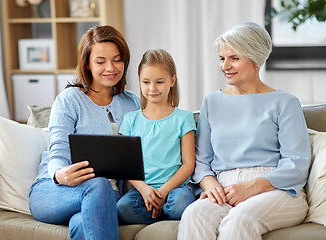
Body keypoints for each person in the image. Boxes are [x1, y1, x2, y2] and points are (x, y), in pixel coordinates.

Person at [178, 22, 311, 239]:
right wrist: (209, 183)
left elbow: (297, 162)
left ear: (256, 60)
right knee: (193, 214)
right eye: (222, 58)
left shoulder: (284, 102)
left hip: (276, 189)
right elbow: (202, 160)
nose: (225, 66)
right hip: (225, 189)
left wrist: (253, 187)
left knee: (239, 220)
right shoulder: (212, 102)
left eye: (234, 58)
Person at [28, 25, 141, 240]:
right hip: (54, 190)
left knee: (82, 223)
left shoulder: (132, 103)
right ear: (87, 64)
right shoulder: (69, 100)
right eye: (100, 61)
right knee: (98, 184)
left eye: (117, 59)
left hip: (108, 196)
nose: (111, 67)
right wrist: (60, 175)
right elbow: (57, 151)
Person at [116, 49, 196, 224]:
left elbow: (189, 164)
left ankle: (158, 210)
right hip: (141, 190)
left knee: (181, 205)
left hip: (175, 188)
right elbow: (125, 165)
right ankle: (157, 210)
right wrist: (144, 190)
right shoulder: (130, 119)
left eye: (160, 82)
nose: (152, 88)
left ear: (172, 81)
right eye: (146, 82)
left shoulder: (183, 118)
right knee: (122, 209)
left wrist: (164, 191)